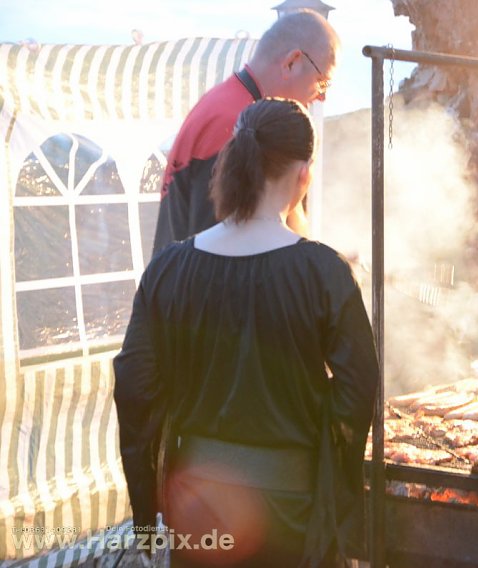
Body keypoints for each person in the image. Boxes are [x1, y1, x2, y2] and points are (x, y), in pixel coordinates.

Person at [114, 98, 379, 567]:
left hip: (196, 510)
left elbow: (135, 389)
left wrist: (147, 517)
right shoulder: (323, 273)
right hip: (290, 511)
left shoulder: (168, 269)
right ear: (304, 175)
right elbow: (357, 393)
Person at [151, 9, 339, 254]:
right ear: (291, 63)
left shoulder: (231, 107)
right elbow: (221, 257)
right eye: (323, 81)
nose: (322, 96)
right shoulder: (232, 122)